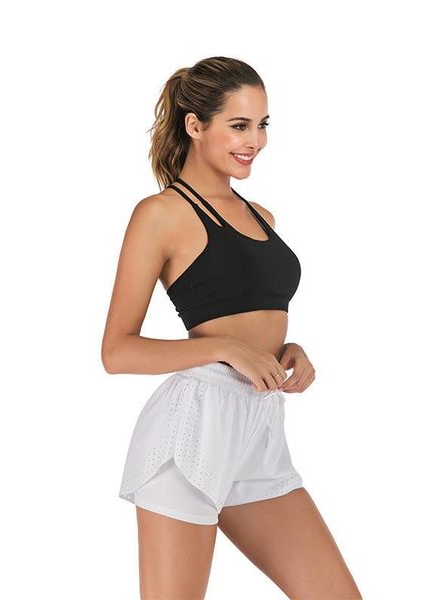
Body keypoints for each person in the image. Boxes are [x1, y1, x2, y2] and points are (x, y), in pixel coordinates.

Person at [101, 56, 362, 600]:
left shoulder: (260, 215)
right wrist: (223, 349)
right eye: (239, 125)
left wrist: (289, 348)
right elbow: (117, 351)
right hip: (192, 429)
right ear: (194, 125)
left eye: (262, 125)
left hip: (260, 428)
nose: (255, 141)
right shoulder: (161, 214)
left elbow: (253, 315)